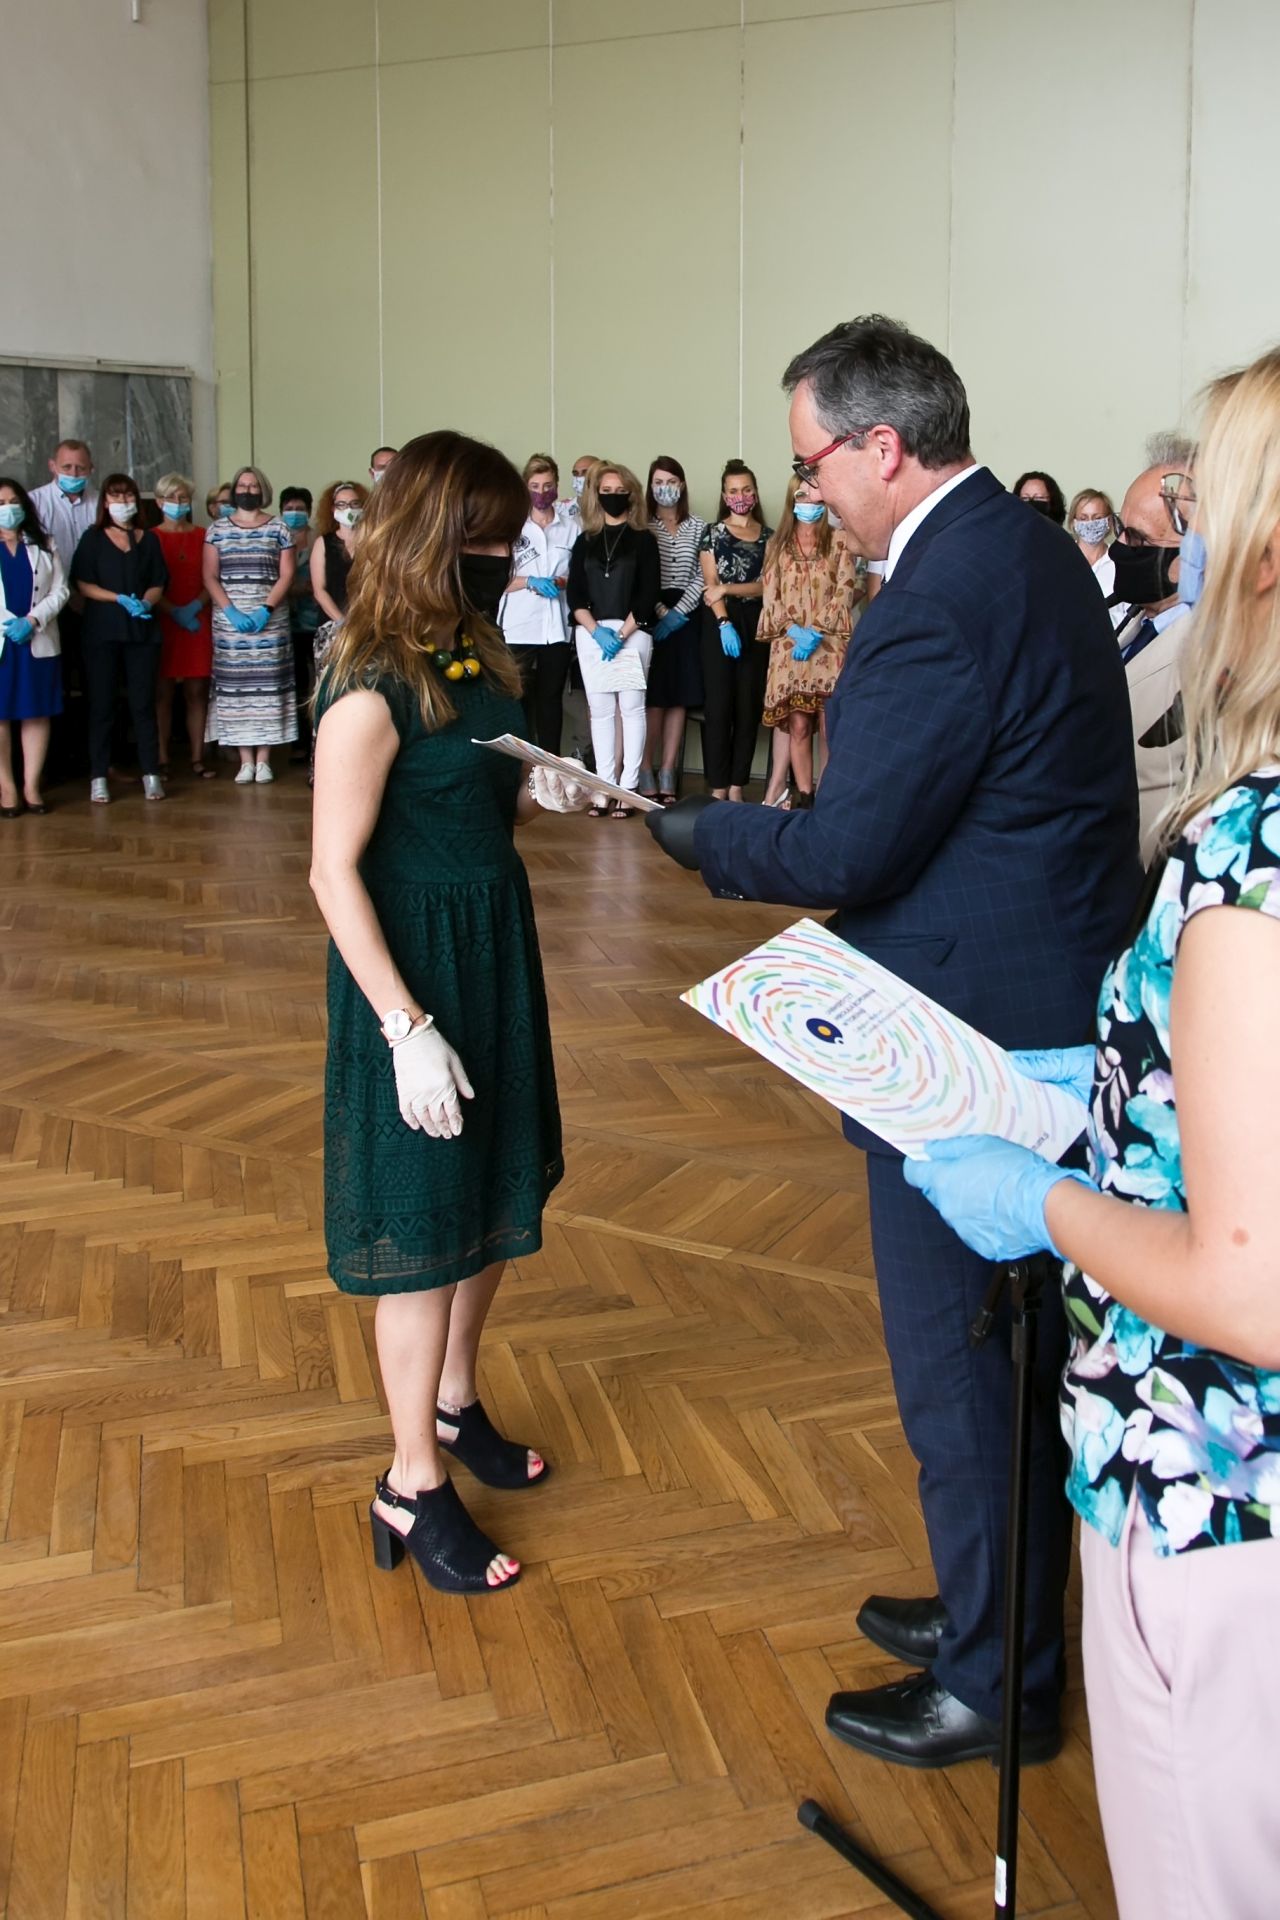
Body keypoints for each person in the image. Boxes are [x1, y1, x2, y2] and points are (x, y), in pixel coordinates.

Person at [647, 315, 1141, 1768]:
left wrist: (697, 831)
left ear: (882, 445)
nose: (806, 494)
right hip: (1041, 992)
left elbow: (850, 844)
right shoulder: (1022, 546)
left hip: (965, 1039)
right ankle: (997, 1613)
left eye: (812, 466)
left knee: (960, 1372)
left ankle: (996, 1686)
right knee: (1007, 1361)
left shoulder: (938, 593)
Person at [902, 347, 1280, 1920]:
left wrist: (1047, 1198)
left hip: (1216, 1490)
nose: (1174, 552)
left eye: (1200, 514)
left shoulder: (1253, 863)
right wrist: (1134, 1102)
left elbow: (1248, 1288)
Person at [309, 428, 595, 1597]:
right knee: (426, 1233)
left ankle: (453, 1401)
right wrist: (404, 1028)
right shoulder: (366, 685)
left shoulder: (473, 656)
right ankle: (410, 1479)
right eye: (488, 538)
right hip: (413, 973)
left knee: (494, 1192)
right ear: (435, 536)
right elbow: (332, 871)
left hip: (490, 948)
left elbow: (474, 795)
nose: (506, 555)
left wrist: (542, 791)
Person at [759, 474, 862, 809]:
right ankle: (805, 797)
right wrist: (793, 631)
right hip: (790, 649)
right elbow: (770, 596)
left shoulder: (840, 541)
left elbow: (846, 589)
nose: (809, 504)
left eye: (815, 498)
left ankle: (828, 799)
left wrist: (816, 630)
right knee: (799, 726)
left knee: (830, 726)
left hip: (828, 646)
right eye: (802, 497)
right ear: (792, 500)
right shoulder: (776, 545)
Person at [1110, 457, 1195, 863]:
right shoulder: (1135, 620)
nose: (1119, 548)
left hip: (1149, 865)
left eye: (1138, 540)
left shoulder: (1211, 653)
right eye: (1120, 528)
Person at [565, 461, 659, 816]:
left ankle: (629, 787)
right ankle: (604, 786)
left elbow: (648, 595)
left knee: (631, 709)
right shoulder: (585, 541)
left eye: (620, 491)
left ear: (631, 494)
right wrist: (596, 631)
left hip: (632, 633)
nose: (613, 497)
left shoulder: (644, 540)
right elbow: (575, 595)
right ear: (596, 495)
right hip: (592, 634)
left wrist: (620, 634)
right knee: (601, 712)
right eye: (606, 491)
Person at [72, 473, 169, 804]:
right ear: (105, 502)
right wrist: (117, 599)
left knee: (143, 704)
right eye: (116, 497)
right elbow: (82, 583)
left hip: (142, 632)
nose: (123, 503)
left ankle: (151, 773)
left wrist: (146, 603)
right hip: (102, 632)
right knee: (102, 704)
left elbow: (158, 582)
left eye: (128, 497)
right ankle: (99, 775)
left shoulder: (148, 540)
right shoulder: (92, 539)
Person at [203, 464, 297, 784]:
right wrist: (230, 611)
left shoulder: (279, 527)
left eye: (253, 485)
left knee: (268, 687)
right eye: (242, 486)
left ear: (263, 490)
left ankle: (264, 759)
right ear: (234, 490)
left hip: (270, 620)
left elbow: (287, 574)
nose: (247, 490)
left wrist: (265, 609)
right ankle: (245, 761)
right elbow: (209, 575)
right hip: (230, 624)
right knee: (237, 690)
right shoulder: (216, 530)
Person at [698, 462, 771, 801]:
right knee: (718, 707)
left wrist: (729, 589)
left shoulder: (770, 537)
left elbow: (767, 586)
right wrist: (724, 621)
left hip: (756, 622)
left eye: (746, 490)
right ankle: (718, 786)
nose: (740, 496)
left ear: (754, 493)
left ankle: (738, 785)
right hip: (720, 622)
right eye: (733, 491)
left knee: (747, 706)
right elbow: (710, 584)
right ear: (724, 495)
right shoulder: (712, 533)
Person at [500, 456, 578, 754]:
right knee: (515, 697)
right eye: (534, 486)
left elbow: (579, 575)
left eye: (547, 486)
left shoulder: (571, 528)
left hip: (556, 627)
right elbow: (499, 578)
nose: (541, 492)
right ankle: (517, 765)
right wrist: (529, 581)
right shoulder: (511, 526)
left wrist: (561, 582)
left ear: (556, 485)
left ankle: (549, 765)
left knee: (550, 698)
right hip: (518, 625)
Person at [0, 477, 68, 815]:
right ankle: (7, 788)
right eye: (1, 504)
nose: (8, 509)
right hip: (3, 641)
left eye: (13, 502)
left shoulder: (43, 542)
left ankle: (31, 786)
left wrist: (32, 620)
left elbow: (61, 590)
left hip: (36, 639)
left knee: (35, 712)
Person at [643, 456, 706, 804]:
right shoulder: (643, 525)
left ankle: (668, 770)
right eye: (658, 482)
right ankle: (645, 767)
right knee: (654, 698)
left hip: (687, 614)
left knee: (679, 696)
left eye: (670, 481)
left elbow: (703, 573)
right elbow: (641, 575)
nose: (664, 488)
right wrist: (660, 612)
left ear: (681, 485)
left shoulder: (698, 526)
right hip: (651, 612)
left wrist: (679, 612)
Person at [153, 472, 214, 778]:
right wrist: (172, 610)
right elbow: (148, 581)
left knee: (197, 690)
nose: (177, 503)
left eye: (183, 497)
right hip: (162, 618)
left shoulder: (204, 535)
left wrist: (194, 607)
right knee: (162, 692)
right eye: (171, 498)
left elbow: (212, 578)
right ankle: (162, 758)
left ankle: (197, 758)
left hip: (197, 618)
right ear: (159, 501)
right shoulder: (151, 537)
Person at [281, 485, 320, 762]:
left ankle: (318, 741)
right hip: (287, 624)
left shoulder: (319, 539)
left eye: (300, 509)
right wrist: (295, 588)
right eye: (289, 509)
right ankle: (298, 743)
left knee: (318, 684)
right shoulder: (277, 539)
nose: (295, 513)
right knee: (296, 685)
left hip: (316, 622)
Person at [29, 440, 99, 579]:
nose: (73, 474)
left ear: (91, 468)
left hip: (95, 584)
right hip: (51, 584)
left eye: (81, 468)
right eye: (67, 467)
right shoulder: (33, 502)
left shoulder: (102, 502)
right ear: (52, 466)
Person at [311, 480, 367, 632]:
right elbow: (319, 591)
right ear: (332, 509)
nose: (349, 509)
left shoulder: (373, 541)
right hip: (333, 626)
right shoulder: (323, 543)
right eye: (341, 504)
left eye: (354, 503)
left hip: (367, 624)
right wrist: (342, 623)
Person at [1068, 486, 1122, 623]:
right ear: (1074, 522)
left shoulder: (1120, 562)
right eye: (1083, 518)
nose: (1090, 523)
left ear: (1109, 521)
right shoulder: (1061, 559)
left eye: (1097, 518)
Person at [563, 453, 599, 523]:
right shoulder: (562, 509)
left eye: (585, 473)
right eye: (576, 473)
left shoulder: (608, 507)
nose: (579, 478)